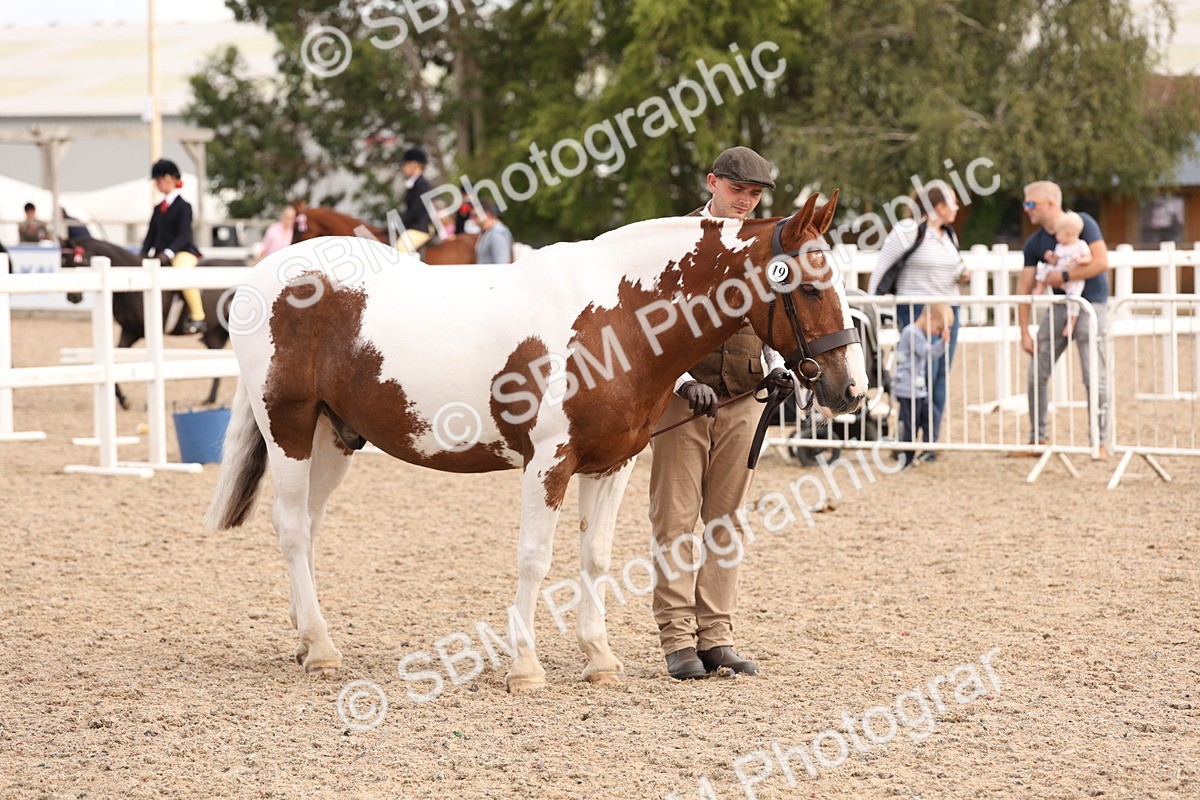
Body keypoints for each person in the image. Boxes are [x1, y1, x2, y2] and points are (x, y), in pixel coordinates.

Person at [649, 146, 789, 681]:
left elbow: (771, 319)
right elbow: (653, 326)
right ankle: (677, 638)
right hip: (683, 402)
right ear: (712, 183)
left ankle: (717, 636)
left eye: (754, 195)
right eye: (738, 191)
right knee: (675, 519)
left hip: (744, 397)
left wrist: (776, 365)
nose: (745, 203)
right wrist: (682, 381)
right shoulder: (674, 241)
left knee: (726, 521)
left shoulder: (761, 244)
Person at [866, 184, 967, 459]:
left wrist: (962, 276)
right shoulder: (909, 231)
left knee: (939, 377)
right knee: (916, 377)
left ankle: (930, 442)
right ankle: (909, 440)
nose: (957, 207)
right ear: (939, 206)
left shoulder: (949, 236)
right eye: (953, 202)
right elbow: (882, 269)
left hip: (949, 310)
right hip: (918, 312)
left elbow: (952, 271)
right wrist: (874, 309)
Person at [1017, 180, 1110, 460]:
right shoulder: (1035, 243)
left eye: (1031, 204)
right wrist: (1024, 330)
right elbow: (1024, 287)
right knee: (1037, 372)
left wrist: (1065, 277)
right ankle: (1038, 439)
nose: (1027, 210)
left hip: (1090, 306)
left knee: (1094, 375)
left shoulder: (1084, 224)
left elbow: (1100, 262)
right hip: (1059, 307)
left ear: (1051, 204)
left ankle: (1100, 442)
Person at [140, 159, 206, 334]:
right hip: (160, 254)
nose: (156, 184)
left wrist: (168, 253)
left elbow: (184, 235)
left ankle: (198, 317)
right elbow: (150, 236)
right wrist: (142, 255)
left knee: (181, 271)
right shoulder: (157, 208)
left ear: (168, 178)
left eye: (158, 180)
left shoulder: (184, 207)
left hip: (181, 252)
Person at [892, 304, 951, 467]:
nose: (938, 332)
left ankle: (927, 449)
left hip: (917, 389)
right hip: (907, 389)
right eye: (938, 328)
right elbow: (928, 353)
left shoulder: (917, 333)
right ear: (930, 317)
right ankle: (908, 459)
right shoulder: (912, 332)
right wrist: (942, 342)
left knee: (931, 416)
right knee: (911, 425)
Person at [1033, 211, 1090, 338]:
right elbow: (1056, 261)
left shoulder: (1080, 245)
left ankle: (1071, 323)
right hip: (1058, 273)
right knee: (1043, 267)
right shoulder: (1060, 247)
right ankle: (1039, 287)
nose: (1055, 236)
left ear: (1068, 233)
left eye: (1058, 233)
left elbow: (1088, 257)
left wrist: (1081, 260)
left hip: (1073, 280)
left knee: (1074, 300)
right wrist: (1050, 258)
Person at [398, 147, 435, 255]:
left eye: (405, 164)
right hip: (413, 227)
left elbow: (416, 211)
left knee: (400, 248)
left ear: (414, 164)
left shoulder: (422, 184)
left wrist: (400, 221)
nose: (403, 167)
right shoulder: (413, 183)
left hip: (420, 227)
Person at [474, 198, 513, 264]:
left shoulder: (497, 234)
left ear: (486, 214)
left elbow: (502, 264)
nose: (472, 218)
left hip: (494, 274)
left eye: (475, 215)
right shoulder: (487, 233)